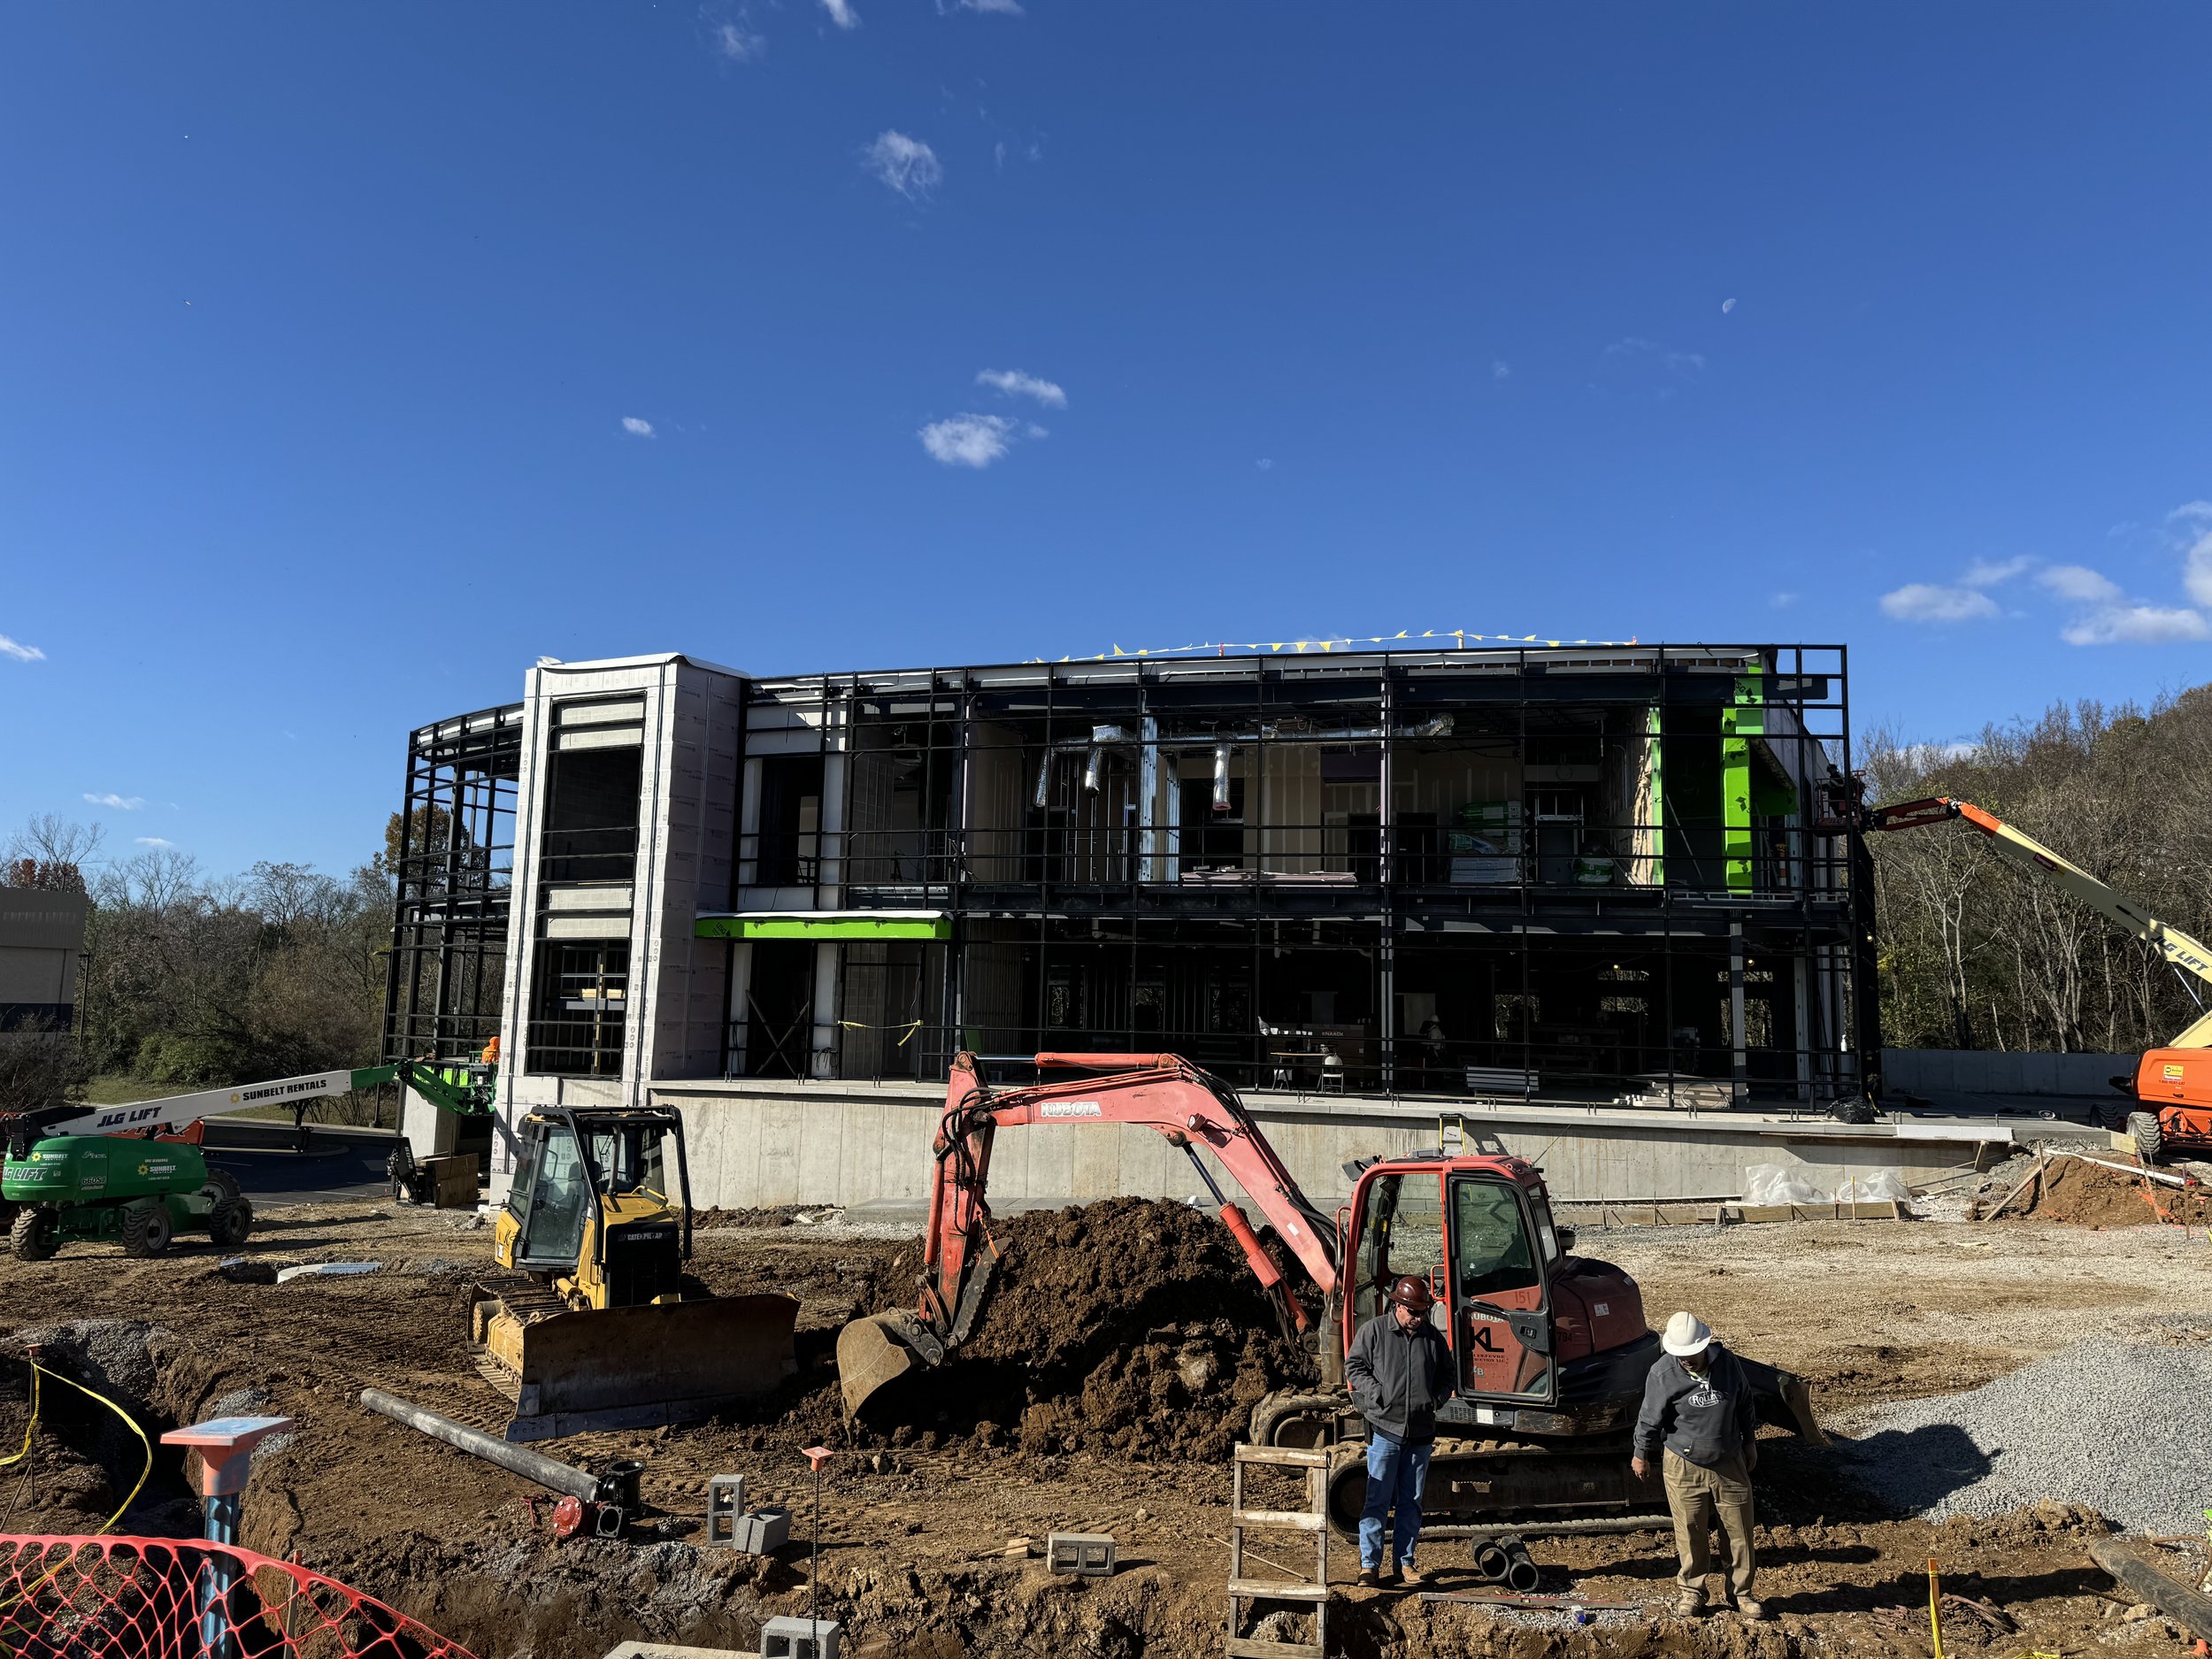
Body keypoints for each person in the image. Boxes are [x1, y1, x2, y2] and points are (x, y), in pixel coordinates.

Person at [1632, 1310, 1764, 1621]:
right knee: (1690, 1531)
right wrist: (1641, 1454)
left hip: (1728, 1460)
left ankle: (1741, 1593)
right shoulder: (1663, 1373)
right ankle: (1692, 1592)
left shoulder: (1728, 1365)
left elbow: (1745, 1403)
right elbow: (1649, 1418)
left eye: (1691, 1354)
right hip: (1683, 1463)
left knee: (1739, 1530)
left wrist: (1749, 1442)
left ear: (1704, 1346)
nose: (1686, 1360)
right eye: (1680, 1355)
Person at [1345, 1273, 1454, 1588]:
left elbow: (1448, 1375)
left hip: (1420, 1435)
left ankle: (1404, 1564)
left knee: (1411, 1502)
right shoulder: (1375, 1332)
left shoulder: (1433, 1338)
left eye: (1423, 1313)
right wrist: (1375, 1392)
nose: (1418, 1319)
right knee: (1377, 1499)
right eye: (1414, 1312)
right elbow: (1354, 1366)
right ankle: (1369, 1565)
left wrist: (1437, 1399)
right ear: (1399, 1305)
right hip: (1385, 1432)